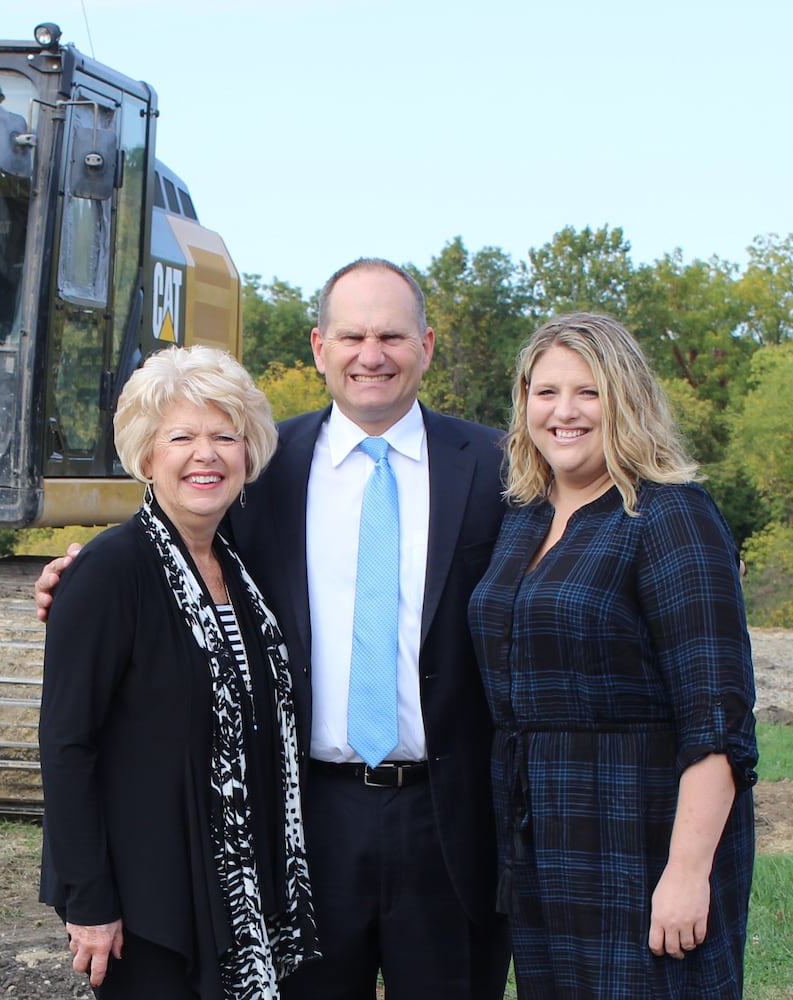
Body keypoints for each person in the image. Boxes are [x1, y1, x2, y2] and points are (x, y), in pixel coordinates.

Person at [39, 258, 512, 999]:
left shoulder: (496, 466)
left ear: (426, 344)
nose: (371, 354)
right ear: (320, 347)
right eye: (352, 335)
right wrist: (73, 582)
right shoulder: (268, 468)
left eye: (391, 334)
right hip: (302, 826)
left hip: (448, 822)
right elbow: (156, 565)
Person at [466, 313, 758, 998]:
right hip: (543, 837)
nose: (563, 412)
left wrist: (685, 872)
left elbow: (716, 720)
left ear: (624, 399)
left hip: (642, 833)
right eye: (545, 392)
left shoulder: (669, 514)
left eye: (587, 392)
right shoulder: (521, 518)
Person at [39, 344, 321, 999]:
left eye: (225, 436)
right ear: (145, 456)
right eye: (181, 437)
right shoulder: (110, 572)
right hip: (150, 904)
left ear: (247, 455)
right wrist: (88, 901)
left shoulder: (245, 575)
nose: (206, 454)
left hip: (242, 893)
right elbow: (66, 744)